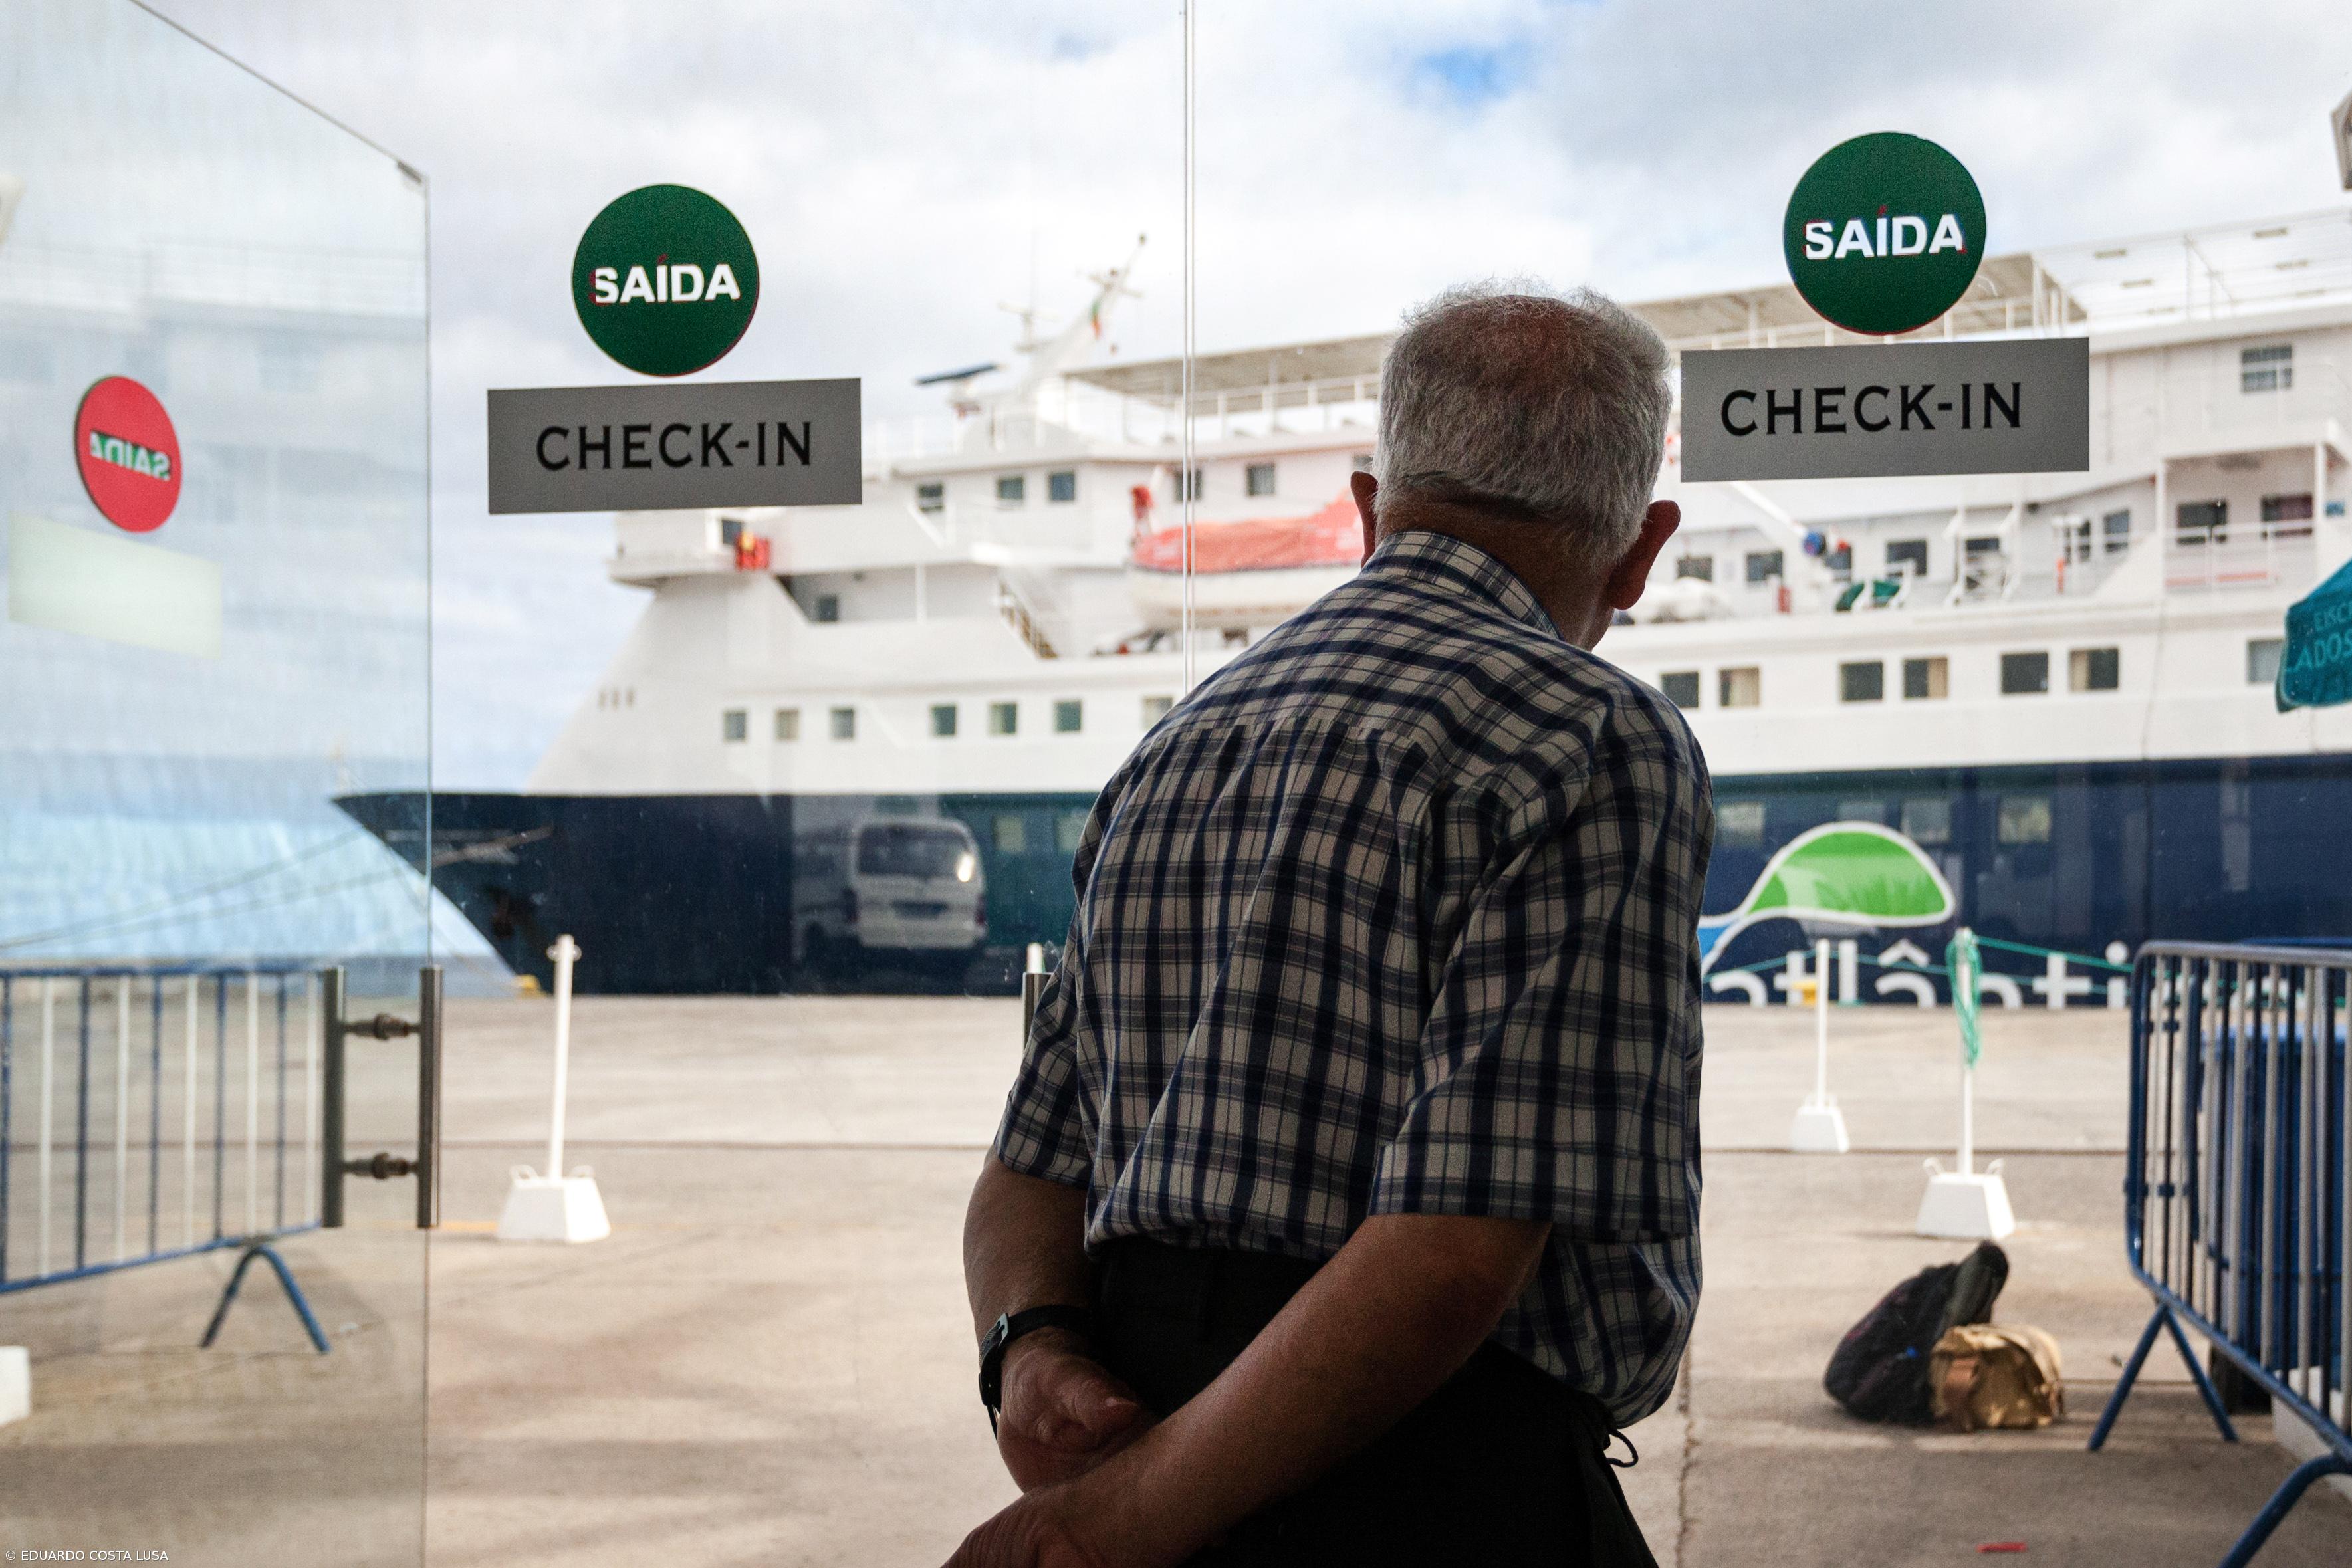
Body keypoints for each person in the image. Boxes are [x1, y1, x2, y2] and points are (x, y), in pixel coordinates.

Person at [948, 282, 1711, 1568]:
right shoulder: (1594, 735)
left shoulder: (1176, 745)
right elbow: (1456, 1244)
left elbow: (1030, 1162)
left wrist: (1029, 1351)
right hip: (1429, 1463)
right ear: (1640, 549)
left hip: (1147, 1420)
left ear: (1372, 506)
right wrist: (1101, 1532)